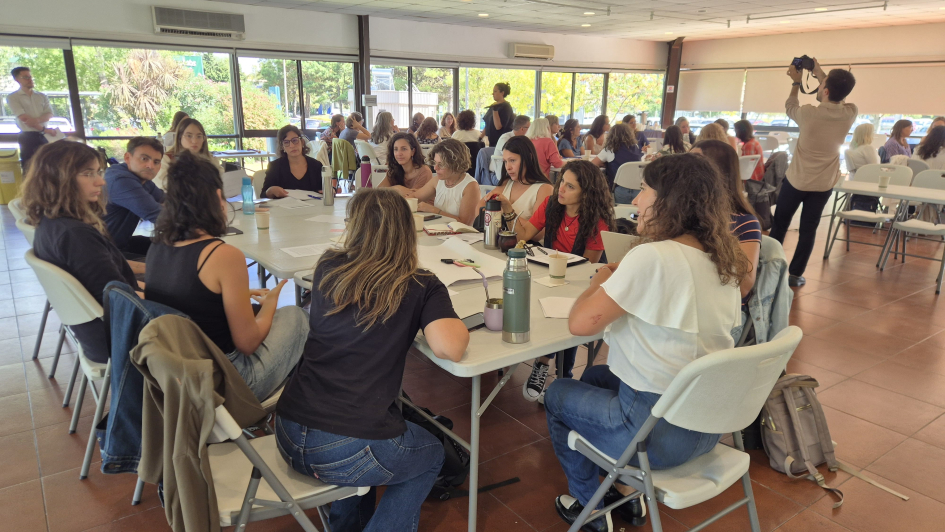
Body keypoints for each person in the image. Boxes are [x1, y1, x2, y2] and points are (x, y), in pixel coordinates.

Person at [545, 154, 747, 532]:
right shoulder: (725, 261)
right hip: (707, 425)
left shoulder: (651, 257)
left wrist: (601, 278)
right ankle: (624, 490)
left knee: (557, 393)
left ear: (670, 201)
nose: (635, 201)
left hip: (653, 436)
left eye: (642, 191)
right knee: (594, 377)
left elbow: (578, 323)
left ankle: (589, 509)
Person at [275, 188, 468, 532]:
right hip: (346, 447)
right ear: (408, 231)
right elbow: (449, 348)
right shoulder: (420, 284)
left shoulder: (327, 266)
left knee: (364, 449)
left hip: (288, 429)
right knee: (429, 455)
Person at [145, 151, 308, 401]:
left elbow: (197, 301)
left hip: (180, 377)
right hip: (228, 384)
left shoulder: (158, 245)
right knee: (296, 315)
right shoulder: (222, 255)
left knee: (276, 317)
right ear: (216, 197)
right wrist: (272, 302)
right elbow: (248, 342)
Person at [22, 141, 141, 364]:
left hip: (96, 334)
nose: (100, 181)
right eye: (88, 174)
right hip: (120, 338)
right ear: (59, 178)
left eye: (98, 172)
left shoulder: (51, 223)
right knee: (208, 309)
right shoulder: (75, 235)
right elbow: (120, 301)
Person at [514, 160, 614, 400]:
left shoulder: (597, 221)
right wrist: (508, 210)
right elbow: (525, 234)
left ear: (586, 193)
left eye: (570, 187)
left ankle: (554, 369)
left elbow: (587, 267)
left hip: (578, 281)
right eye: (562, 183)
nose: (561, 190)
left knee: (569, 311)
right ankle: (557, 372)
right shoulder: (551, 205)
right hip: (546, 273)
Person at [770, 58, 857, 287]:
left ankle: (768, 270)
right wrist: (818, 72)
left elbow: (790, 106)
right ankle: (795, 274)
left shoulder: (809, 113)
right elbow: (837, 96)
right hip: (823, 185)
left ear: (825, 90)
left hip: (796, 180)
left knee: (780, 224)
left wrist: (797, 83)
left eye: (821, 85)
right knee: (808, 230)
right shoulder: (850, 113)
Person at [691, 139, 761, 299]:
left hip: (720, 306)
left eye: (692, 164)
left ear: (716, 174)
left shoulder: (744, 222)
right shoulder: (681, 214)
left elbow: (743, 287)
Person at [103, 137, 166, 261]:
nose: (150, 165)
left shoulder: (141, 179)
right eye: (144, 159)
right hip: (101, 253)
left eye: (156, 162)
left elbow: (166, 200)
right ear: (127, 158)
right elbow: (159, 216)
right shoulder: (121, 180)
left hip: (118, 244)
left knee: (169, 247)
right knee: (173, 262)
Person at [477, 136, 553, 223]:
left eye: (512, 160)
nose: (507, 167)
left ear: (528, 157)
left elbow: (538, 230)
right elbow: (480, 206)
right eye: (505, 161)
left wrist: (503, 213)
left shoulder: (544, 189)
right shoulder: (507, 182)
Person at [414, 138, 480, 225]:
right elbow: (414, 197)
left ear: (455, 164)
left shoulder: (470, 186)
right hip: (440, 231)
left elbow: (465, 224)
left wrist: (434, 210)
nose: (435, 168)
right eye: (435, 163)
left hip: (460, 236)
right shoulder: (438, 180)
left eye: (441, 164)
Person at [153, 118, 223, 189]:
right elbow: (163, 186)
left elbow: (222, 181)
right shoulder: (167, 159)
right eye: (189, 136)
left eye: (199, 136)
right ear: (179, 137)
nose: (194, 141)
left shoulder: (211, 160)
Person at [9, 66, 54, 170]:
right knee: (29, 168)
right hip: (28, 137)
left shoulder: (42, 96)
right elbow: (24, 119)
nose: (30, 79)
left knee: (47, 167)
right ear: (17, 80)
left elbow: (49, 114)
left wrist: (37, 121)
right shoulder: (13, 97)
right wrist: (44, 128)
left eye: (30, 76)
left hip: (45, 136)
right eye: (25, 77)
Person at [261, 125, 324, 199]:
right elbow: (263, 195)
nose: (292, 145)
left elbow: (326, 188)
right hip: (284, 209)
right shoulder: (275, 166)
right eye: (286, 142)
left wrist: (331, 190)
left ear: (302, 142)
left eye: (295, 140)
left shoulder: (316, 165)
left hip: (314, 208)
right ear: (282, 147)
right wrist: (270, 191)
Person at [591, 123, 642, 203]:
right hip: (638, 190)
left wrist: (606, 163)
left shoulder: (609, 149)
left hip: (620, 190)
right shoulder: (636, 147)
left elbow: (591, 165)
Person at [483, 82, 514, 147]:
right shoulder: (494, 106)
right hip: (490, 141)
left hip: (500, 142)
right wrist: (480, 137)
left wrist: (495, 111)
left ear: (502, 93)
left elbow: (498, 127)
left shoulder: (506, 107)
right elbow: (488, 124)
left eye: (495, 91)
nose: (493, 94)